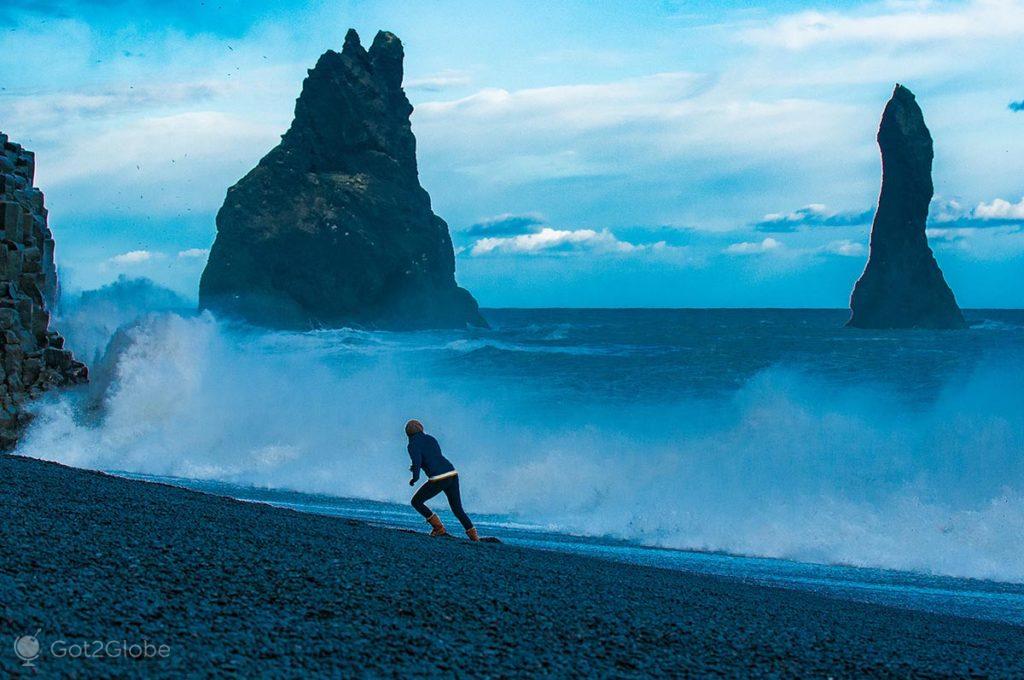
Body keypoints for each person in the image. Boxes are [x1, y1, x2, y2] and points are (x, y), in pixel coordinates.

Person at [405, 419, 478, 541]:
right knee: (457, 508)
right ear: (421, 428)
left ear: (408, 433)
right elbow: (433, 457)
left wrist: (415, 477)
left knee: (416, 502)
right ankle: (474, 537)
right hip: (452, 473)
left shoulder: (412, 445)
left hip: (439, 478)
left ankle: (438, 528)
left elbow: (417, 462)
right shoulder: (431, 439)